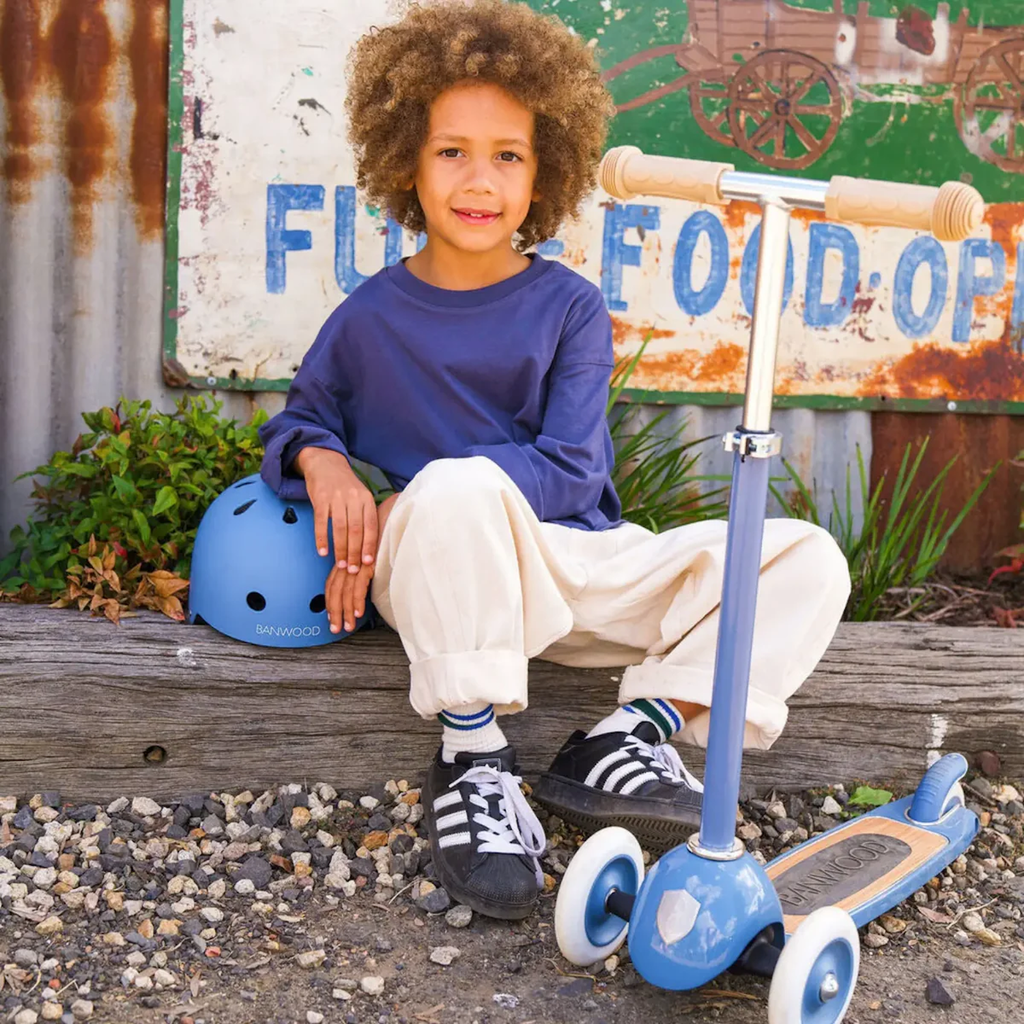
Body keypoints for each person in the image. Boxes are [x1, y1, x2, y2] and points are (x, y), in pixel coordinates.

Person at [258, 0, 850, 921]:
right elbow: (296, 423)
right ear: (405, 160)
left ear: (546, 174)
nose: (478, 179)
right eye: (452, 150)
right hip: (448, 568)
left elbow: (574, 471)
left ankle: (629, 734)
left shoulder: (569, 305)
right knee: (453, 488)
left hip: (571, 559)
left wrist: (491, 489)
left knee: (803, 555)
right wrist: (325, 462)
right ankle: (473, 759)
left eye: (509, 155)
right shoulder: (368, 318)